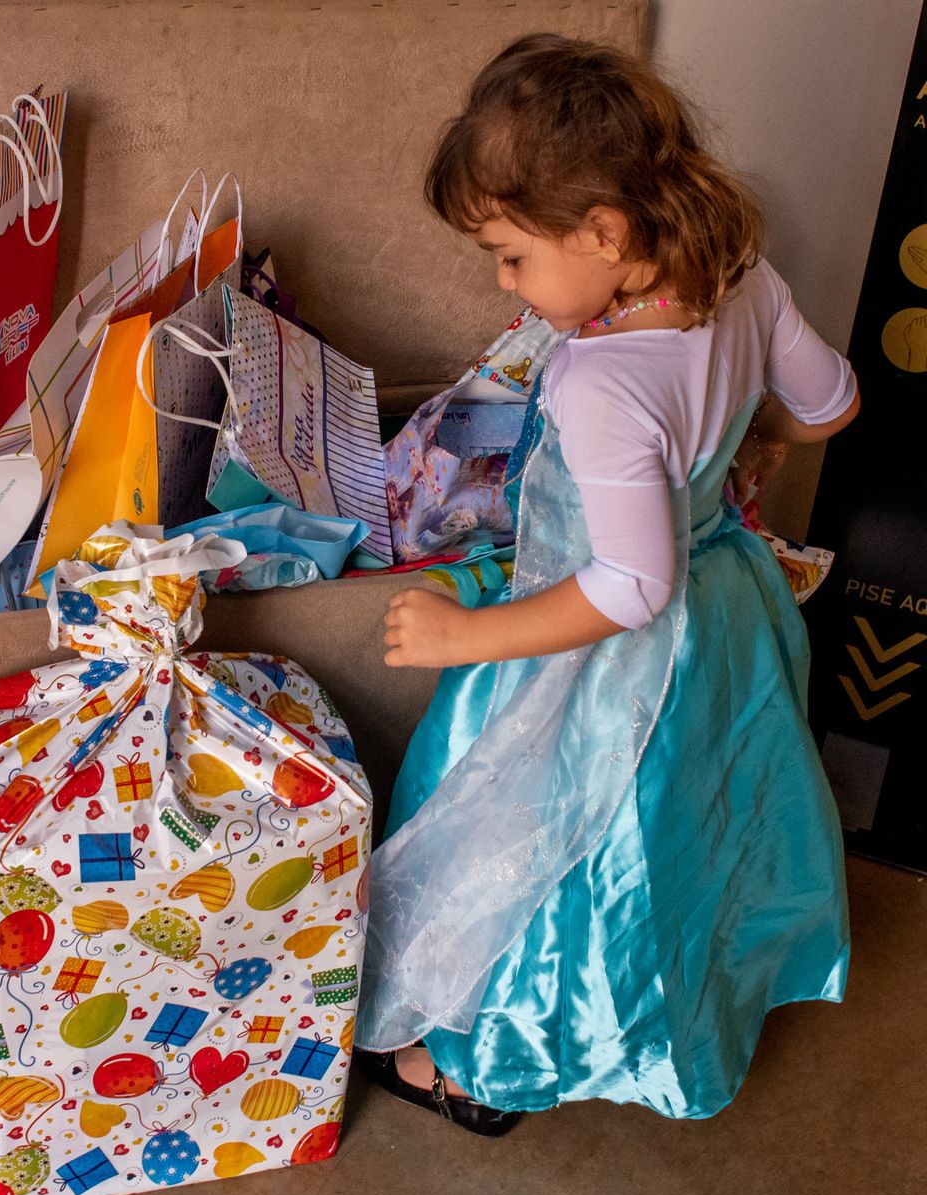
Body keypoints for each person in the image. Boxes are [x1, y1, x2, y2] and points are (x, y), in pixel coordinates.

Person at [360, 34, 859, 1133]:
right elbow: (832, 403)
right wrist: (753, 439)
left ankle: (491, 1060)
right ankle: (684, 1005)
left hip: (614, 647)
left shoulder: (602, 381)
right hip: (727, 615)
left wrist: (459, 639)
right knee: (683, 828)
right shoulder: (744, 280)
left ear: (606, 232)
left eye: (508, 254)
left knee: (539, 836)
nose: (502, 281)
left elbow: (629, 585)